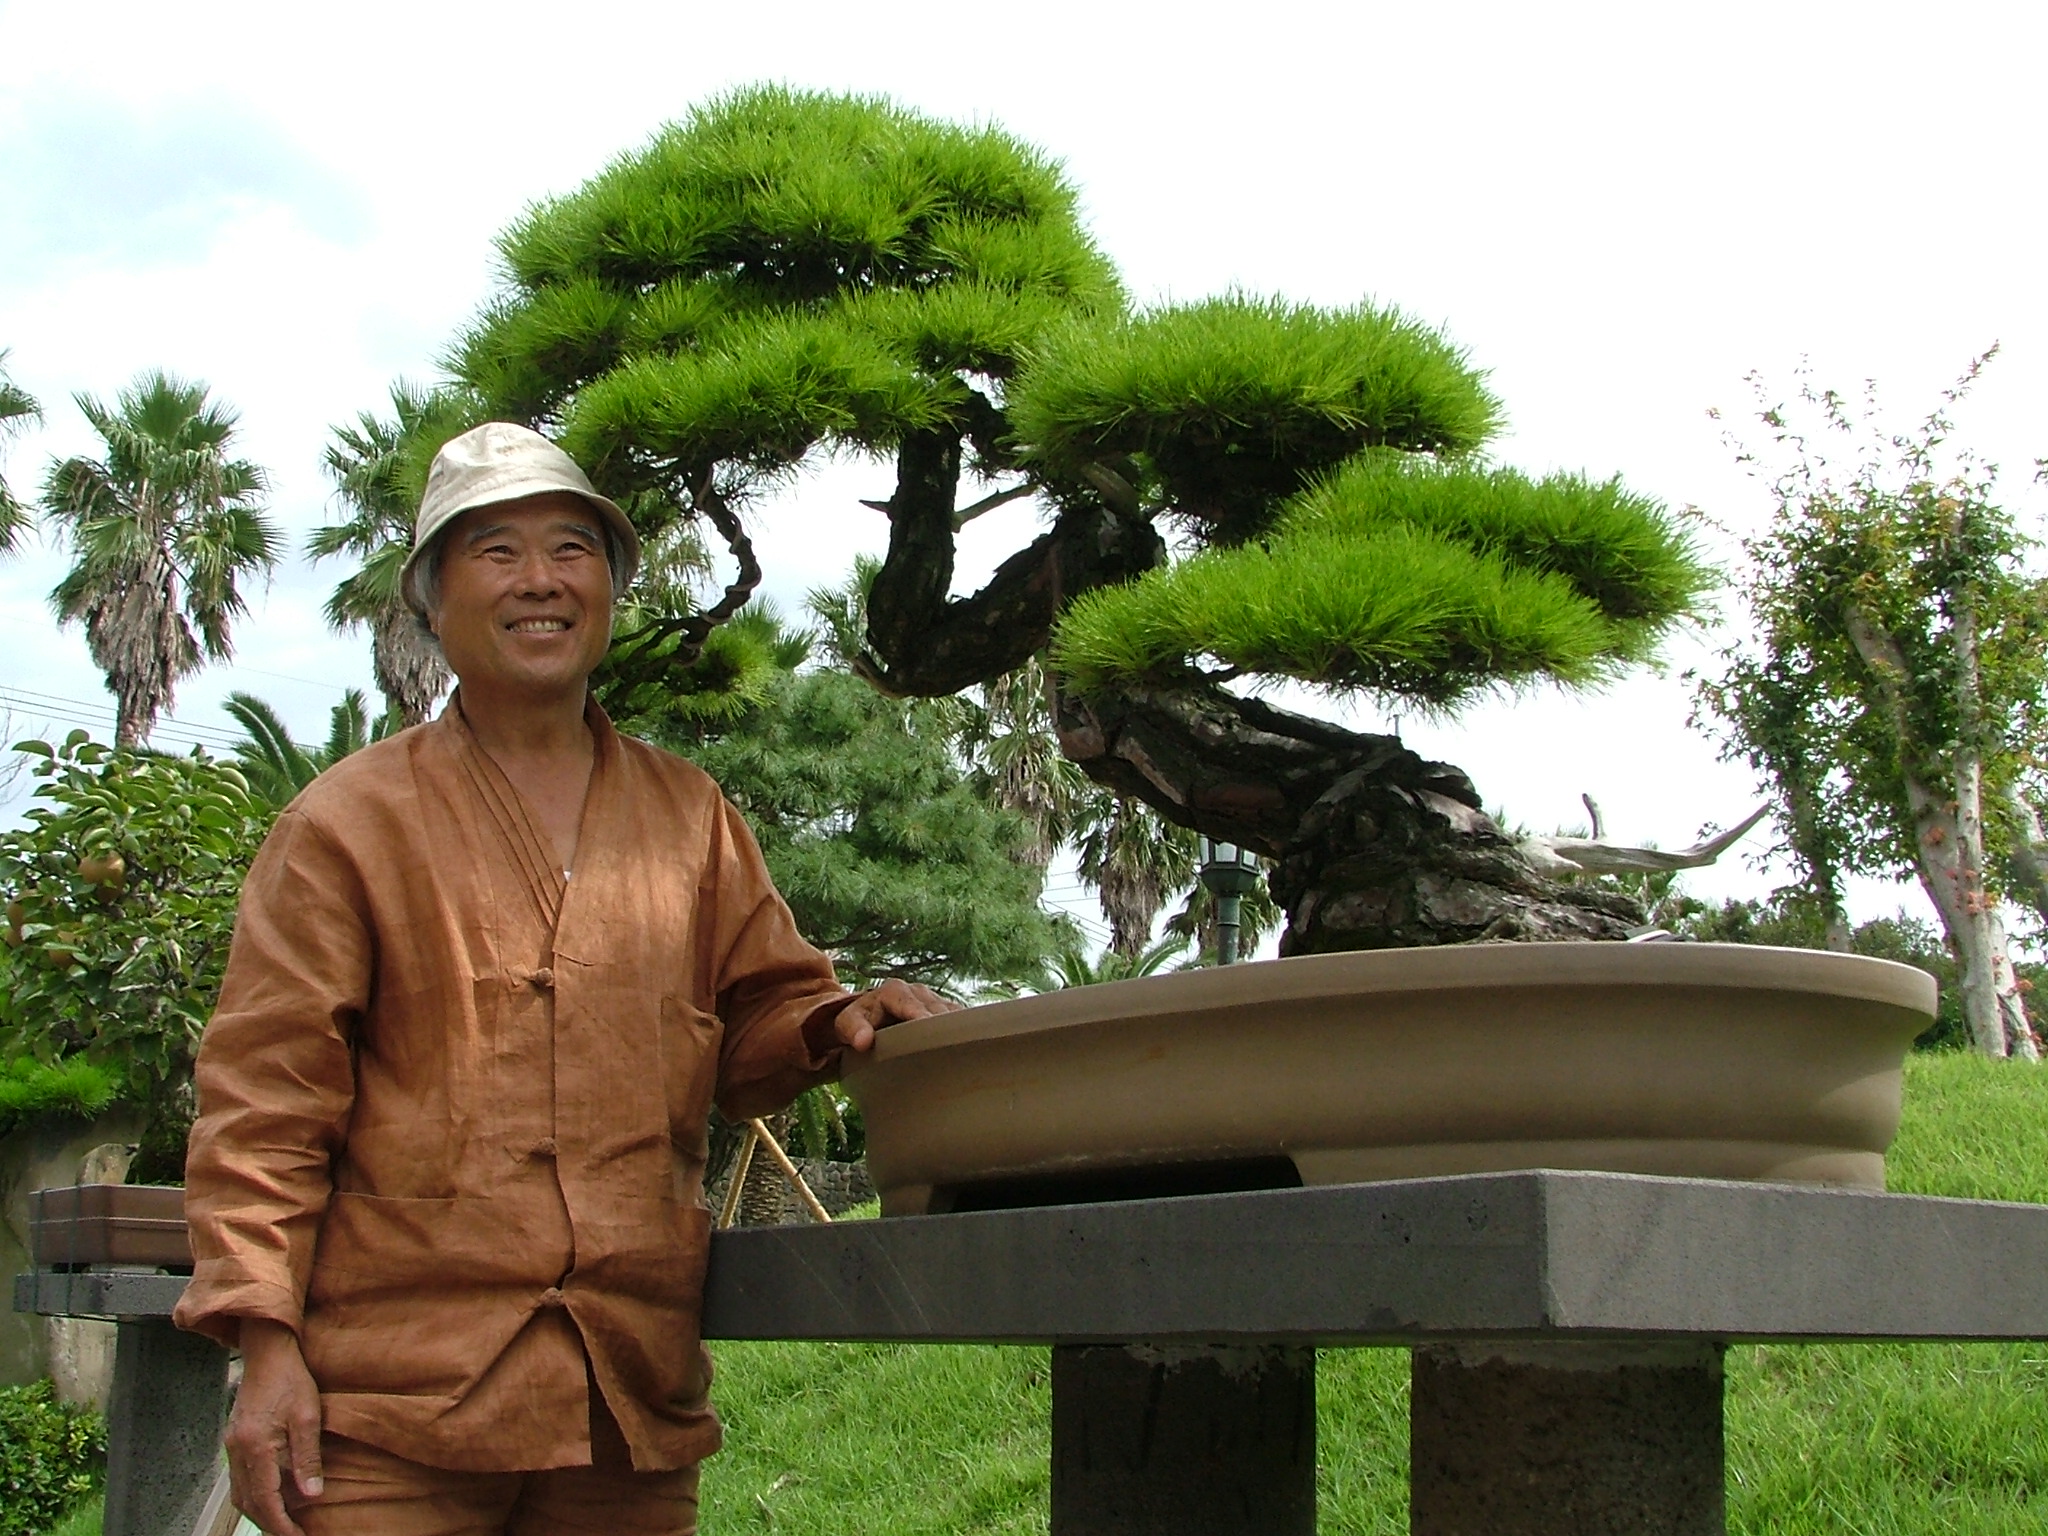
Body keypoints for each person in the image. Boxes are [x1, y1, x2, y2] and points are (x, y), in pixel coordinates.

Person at [174, 422, 953, 1536]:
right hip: (389, 1403)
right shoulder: (345, 824)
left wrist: (835, 1021)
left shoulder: (689, 816)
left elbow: (752, 1030)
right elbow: (264, 1106)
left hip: (621, 1396)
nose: (538, 581)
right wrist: (265, 1344)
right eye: (494, 553)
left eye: (570, 550)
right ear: (432, 604)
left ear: (609, 588)